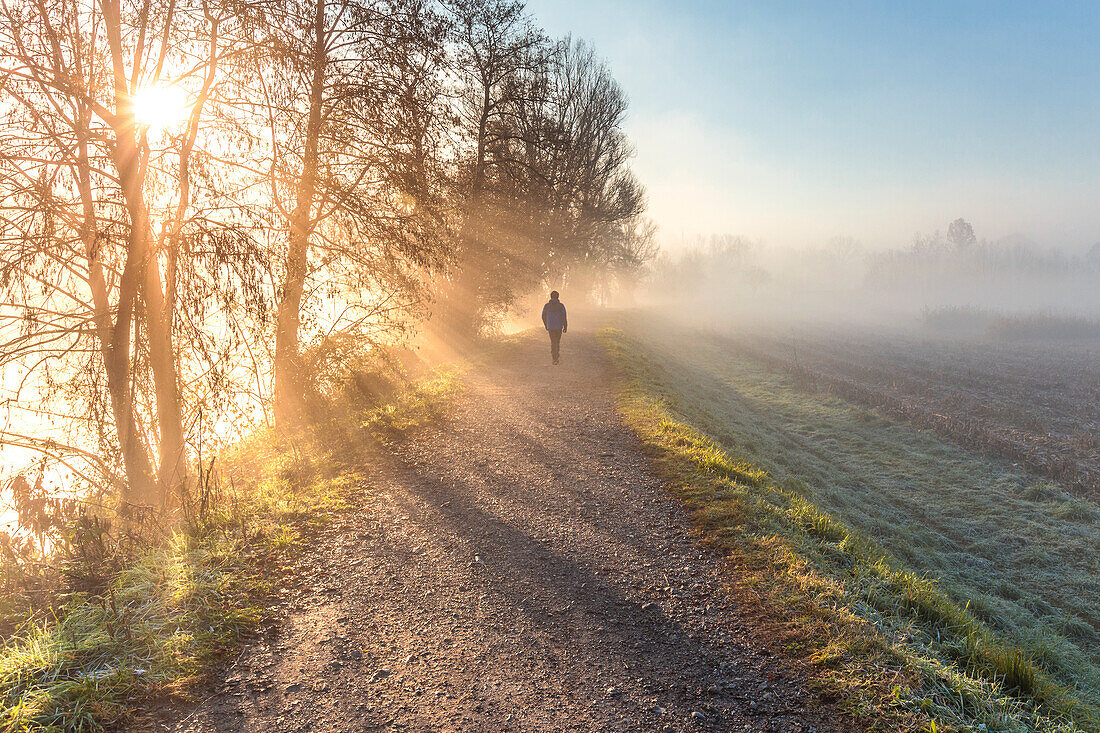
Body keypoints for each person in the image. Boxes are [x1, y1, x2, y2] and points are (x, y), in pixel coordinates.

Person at [541, 291, 567, 364]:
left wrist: (546, 325)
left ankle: (554, 358)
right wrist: (565, 326)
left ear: (551, 297)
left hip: (550, 327)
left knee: (553, 342)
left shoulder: (547, 306)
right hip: (559, 327)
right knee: (557, 342)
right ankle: (556, 357)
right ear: (558, 297)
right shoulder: (561, 306)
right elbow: (564, 316)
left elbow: (543, 316)